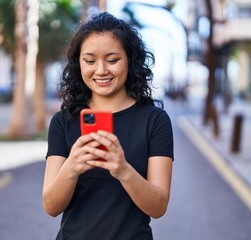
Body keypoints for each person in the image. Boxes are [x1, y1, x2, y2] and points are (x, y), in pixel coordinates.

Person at [42, 12, 174, 240]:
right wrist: (72, 167)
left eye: (112, 60)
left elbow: (158, 207)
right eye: (90, 61)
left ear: (130, 60)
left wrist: (123, 170)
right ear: (78, 63)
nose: (101, 70)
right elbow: (51, 206)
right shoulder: (63, 121)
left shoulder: (155, 120)